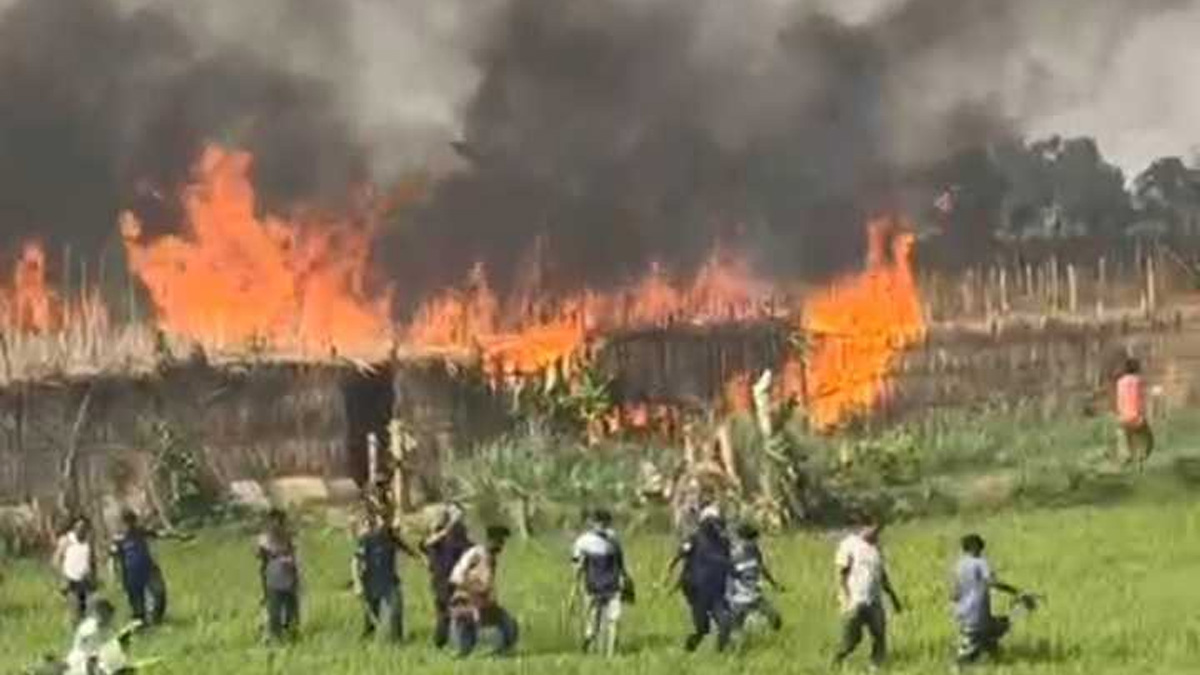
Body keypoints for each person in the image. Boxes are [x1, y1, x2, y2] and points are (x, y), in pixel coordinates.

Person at [833, 519, 904, 669]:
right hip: (855, 600)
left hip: (874, 600)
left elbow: (882, 575)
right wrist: (845, 598)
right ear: (864, 526)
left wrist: (893, 597)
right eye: (875, 529)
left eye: (879, 530)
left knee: (879, 635)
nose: (877, 534)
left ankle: (876, 666)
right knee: (852, 639)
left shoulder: (876, 547)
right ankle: (838, 659)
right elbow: (841, 574)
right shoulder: (849, 545)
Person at [664, 505, 734, 653]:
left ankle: (720, 654)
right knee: (703, 628)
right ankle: (690, 647)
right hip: (697, 591)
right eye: (711, 521)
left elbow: (729, 564)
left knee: (725, 623)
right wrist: (668, 577)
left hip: (716, 592)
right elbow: (677, 557)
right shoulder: (694, 539)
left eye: (716, 521)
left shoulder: (724, 543)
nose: (715, 525)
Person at [952, 534, 1028, 666]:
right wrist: (1016, 591)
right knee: (1005, 624)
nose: (982, 550)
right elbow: (992, 582)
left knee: (989, 639)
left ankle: (993, 660)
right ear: (975, 547)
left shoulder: (959, 565)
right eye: (980, 547)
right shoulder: (980, 562)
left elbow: (954, 594)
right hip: (978, 615)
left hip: (963, 615)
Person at [448, 525, 519, 657]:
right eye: (500, 541)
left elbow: (487, 582)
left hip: (482, 601)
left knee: (508, 624)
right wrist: (473, 590)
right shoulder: (476, 554)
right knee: (502, 625)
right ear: (491, 540)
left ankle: (492, 650)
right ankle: (468, 649)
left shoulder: (489, 557)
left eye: (502, 542)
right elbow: (456, 577)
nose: (502, 546)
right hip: (468, 599)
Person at [571, 508, 634, 657]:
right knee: (594, 624)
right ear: (592, 523)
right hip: (593, 587)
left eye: (605, 523)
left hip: (613, 585)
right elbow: (576, 565)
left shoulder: (613, 538)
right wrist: (574, 589)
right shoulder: (583, 541)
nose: (602, 526)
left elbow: (620, 559)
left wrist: (625, 577)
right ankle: (588, 640)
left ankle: (610, 655)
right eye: (598, 522)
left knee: (614, 620)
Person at [353, 507, 417, 642]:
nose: (386, 522)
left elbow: (409, 551)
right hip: (371, 581)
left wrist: (419, 558)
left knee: (396, 611)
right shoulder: (367, 539)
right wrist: (357, 584)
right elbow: (355, 562)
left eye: (388, 519)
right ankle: (368, 638)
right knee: (372, 616)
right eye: (383, 519)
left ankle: (397, 641)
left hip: (391, 581)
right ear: (377, 521)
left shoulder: (392, 537)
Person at [108, 511, 177, 626]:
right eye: (127, 523)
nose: (130, 526)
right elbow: (113, 558)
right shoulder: (119, 539)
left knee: (159, 592)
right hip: (130, 574)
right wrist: (114, 577)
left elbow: (159, 534)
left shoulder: (140, 532)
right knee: (137, 603)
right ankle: (140, 625)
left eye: (132, 522)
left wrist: (177, 536)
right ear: (123, 524)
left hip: (148, 569)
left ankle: (156, 619)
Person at [423, 502, 474, 649]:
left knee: (447, 614)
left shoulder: (439, 539)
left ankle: (442, 642)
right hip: (448, 581)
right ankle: (457, 645)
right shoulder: (445, 536)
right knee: (453, 614)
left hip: (445, 582)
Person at [727, 523, 783, 633]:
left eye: (755, 540)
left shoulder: (754, 551)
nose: (755, 543)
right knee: (736, 631)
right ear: (742, 540)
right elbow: (728, 577)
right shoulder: (734, 555)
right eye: (752, 540)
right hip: (740, 598)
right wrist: (729, 595)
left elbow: (762, 567)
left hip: (756, 595)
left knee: (776, 620)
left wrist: (774, 584)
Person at [256, 509, 301, 642]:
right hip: (273, 577)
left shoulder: (287, 537)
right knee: (274, 608)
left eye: (280, 521)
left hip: (288, 576)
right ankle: (274, 635)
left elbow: (293, 555)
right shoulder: (265, 538)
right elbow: (262, 556)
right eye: (275, 521)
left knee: (290, 608)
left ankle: (291, 633)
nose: (277, 524)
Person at [53, 517, 97, 623]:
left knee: (85, 610)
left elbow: (93, 561)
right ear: (74, 527)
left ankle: (82, 634)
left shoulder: (88, 543)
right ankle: (71, 631)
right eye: (78, 527)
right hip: (70, 580)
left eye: (84, 528)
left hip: (85, 581)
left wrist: (94, 577)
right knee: (73, 609)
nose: (81, 530)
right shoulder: (66, 541)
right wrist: (61, 578)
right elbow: (56, 560)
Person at [1116, 357, 1154, 471]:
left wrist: (1121, 415)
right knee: (1149, 439)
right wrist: (1144, 414)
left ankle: (1130, 460)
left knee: (1129, 439)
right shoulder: (1138, 381)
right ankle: (1141, 459)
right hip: (1136, 417)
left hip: (1123, 417)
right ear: (1137, 368)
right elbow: (1140, 400)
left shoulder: (1120, 382)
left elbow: (1119, 400)